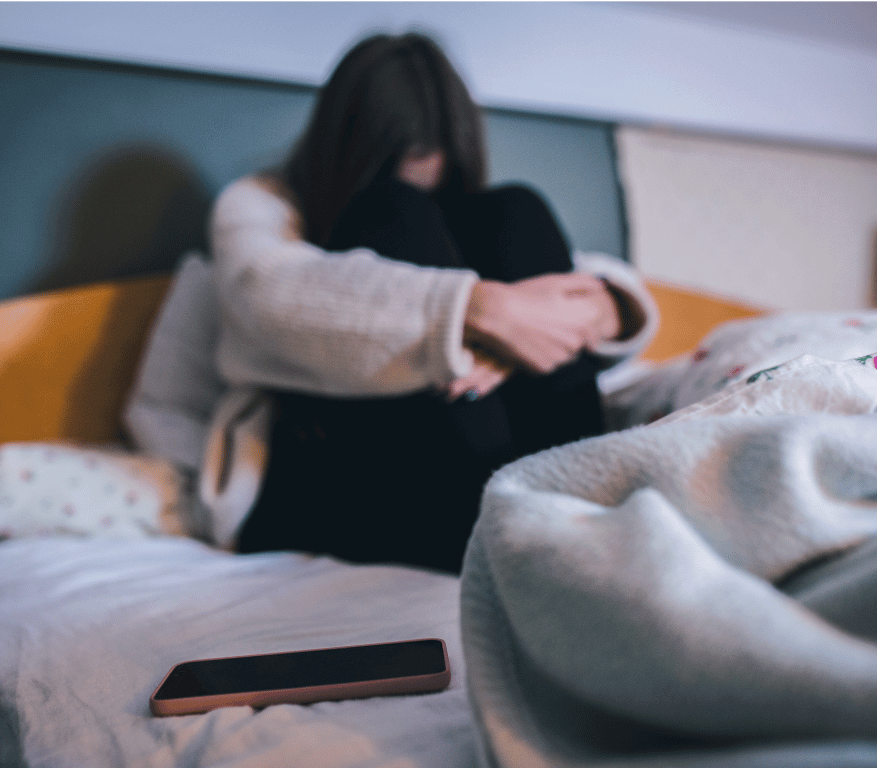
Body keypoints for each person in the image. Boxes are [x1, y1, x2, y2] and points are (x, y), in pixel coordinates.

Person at [207, 32, 658, 572]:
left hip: (477, 477)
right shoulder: (261, 203)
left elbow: (597, 279)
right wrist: (476, 312)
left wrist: (589, 311)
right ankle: (519, 533)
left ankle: (578, 508)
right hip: (328, 473)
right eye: (393, 157)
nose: (420, 166)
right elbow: (266, 296)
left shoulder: (474, 219)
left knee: (515, 211)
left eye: (434, 157)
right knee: (393, 211)